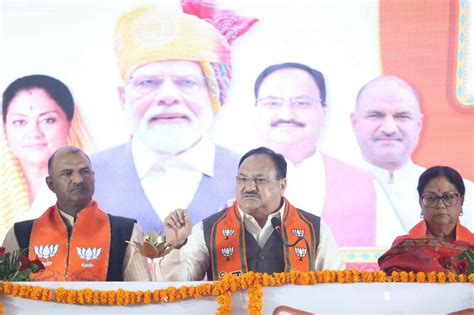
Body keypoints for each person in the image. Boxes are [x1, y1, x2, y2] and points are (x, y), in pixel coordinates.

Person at [91, 2, 257, 233]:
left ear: (214, 95)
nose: (168, 96)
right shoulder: (76, 178)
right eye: (148, 82)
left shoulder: (260, 179)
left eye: (186, 82)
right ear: (122, 97)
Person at [156, 147, 345, 281]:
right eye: (242, 179)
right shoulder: (209, 229)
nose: (249, 187)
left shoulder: (314, 229)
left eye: (260, 180)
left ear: (282, 185)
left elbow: (337, 289)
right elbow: (176, 287)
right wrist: (176, 246)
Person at [253, 62, 380, 246]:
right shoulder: (222, 183)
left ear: (324, 111)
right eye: (272, 103)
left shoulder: (364, 185)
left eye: (302, 103)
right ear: (256, 110)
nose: (287, 114)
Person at [2, 146, 150, 281]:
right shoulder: (19, 234)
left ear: (93, 177)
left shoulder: (126, 232)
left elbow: (143, 298)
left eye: (84, 172)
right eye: (67, 173)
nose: (78, 179)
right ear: (50, 184)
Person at [351, 75, 473, 237]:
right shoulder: (324, 189)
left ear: (418, 124)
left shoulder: (465, 195)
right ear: (354, 122)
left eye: (402, 116)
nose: (389, 128)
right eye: (376, 115)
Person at [0, 74, 92, 242]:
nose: (34, 133)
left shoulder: (101, 188)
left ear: (70, 122)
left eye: (48, 120)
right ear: (4, 127)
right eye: (20, 122)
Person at [378, 166, 473, 274]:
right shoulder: (403, 248)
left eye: (448, 197)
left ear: (462, 201)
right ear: (420, 203)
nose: (440, 205)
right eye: (431, 198)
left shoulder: (471, 245)